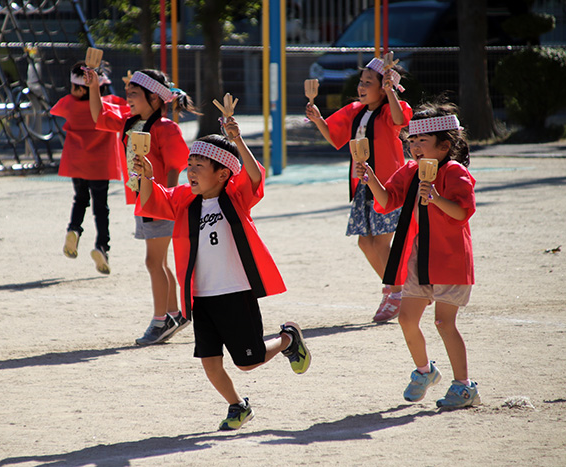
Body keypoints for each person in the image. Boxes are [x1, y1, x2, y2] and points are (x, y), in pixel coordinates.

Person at [132, 116, 312, 430]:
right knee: (210, 364)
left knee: (249, 361)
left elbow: (254, 176)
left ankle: (287, 339)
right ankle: (237, 406)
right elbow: (153, 201)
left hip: (234, 291)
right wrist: (146, 176)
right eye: (190, 164)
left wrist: (238, 140)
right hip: (201, 297)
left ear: (222, 173)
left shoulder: (236, 196)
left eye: (199, 166)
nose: (191, 171)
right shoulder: (184, 200)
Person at [356, 101, 480, 409]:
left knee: (443, 322)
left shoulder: (455, 172)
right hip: (418, 258)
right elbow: (388, 200)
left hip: (451, 259)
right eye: (411, 140)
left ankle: (465, 386)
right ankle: (425, 371)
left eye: (421, 141)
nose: (414, 146)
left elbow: (462, 211)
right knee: (407, 319)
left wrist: (436, 198)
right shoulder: (410, 170)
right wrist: (370, 177)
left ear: (444, 146)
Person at [86, 67, 196, 345]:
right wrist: (94, 86)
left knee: (153, 262)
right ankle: (174, 315)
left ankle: (161, 322)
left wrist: (168, 199)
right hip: (145, 200)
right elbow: (99, 116)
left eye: (134, 94)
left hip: (159, 201)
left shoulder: (166, 127)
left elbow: (176, 165)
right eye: (128, 93)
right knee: (158, 262)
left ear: (156, 99)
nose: (129, 98)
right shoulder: (130, 121)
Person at [306, 57, 412, 322]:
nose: (361, 86)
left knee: (381, 242)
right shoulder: (355, 109)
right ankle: (394, 289)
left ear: (384, 87)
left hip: (388, 185)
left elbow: (401, 120)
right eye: (361, 81)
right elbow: (335, 137)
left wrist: (390, 90)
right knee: (365, 242)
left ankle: (398, 292)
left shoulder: (389, 110)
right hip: (363, 185)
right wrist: (319, 120)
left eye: (368, 82)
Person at [50, 61, 127, 274]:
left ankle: (74, 229)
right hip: (100, 164)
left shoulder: (68, 103)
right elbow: (130, 108)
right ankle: (102, 246)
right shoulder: (109, 104)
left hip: (77, 162)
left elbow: (55, 109)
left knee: (80, 199)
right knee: (101, 207)